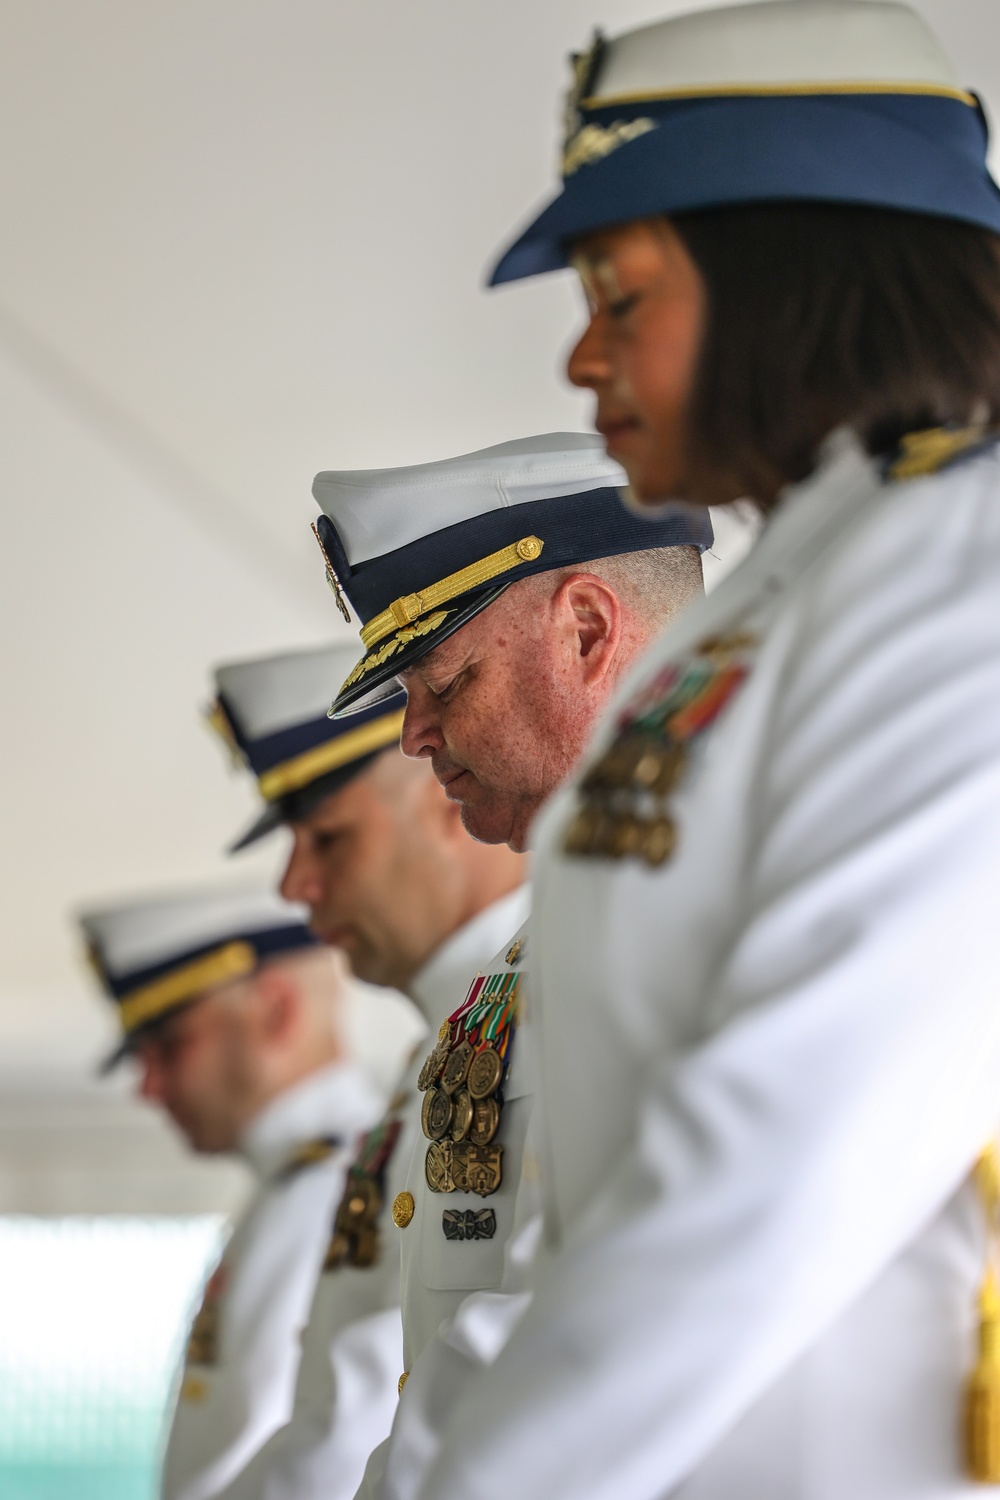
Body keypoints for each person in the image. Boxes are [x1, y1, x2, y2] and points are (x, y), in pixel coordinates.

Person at [409, 4, 1000, 1499]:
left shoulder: (963, 573)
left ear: (784, 267)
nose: (580, 355)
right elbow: (599, 1192)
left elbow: (788, 1157)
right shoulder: (795, 591)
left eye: (622, 294)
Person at [310, 431, 710, 1497]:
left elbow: (590, 1316)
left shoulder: (709, 894)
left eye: (443, 681)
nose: (413, 736)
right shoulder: (574, 917)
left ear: (584, 629)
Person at [202, 641, 527, 1500]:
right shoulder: (441, 1047)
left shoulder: (551, 993)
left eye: (328, 838)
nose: (294, 885)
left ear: (438, 794)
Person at [78, 886, 383, 1500]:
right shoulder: (307, 1185)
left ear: (276, 1011)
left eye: (169, 1045)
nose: (148, 1086)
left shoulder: (335, 1191)